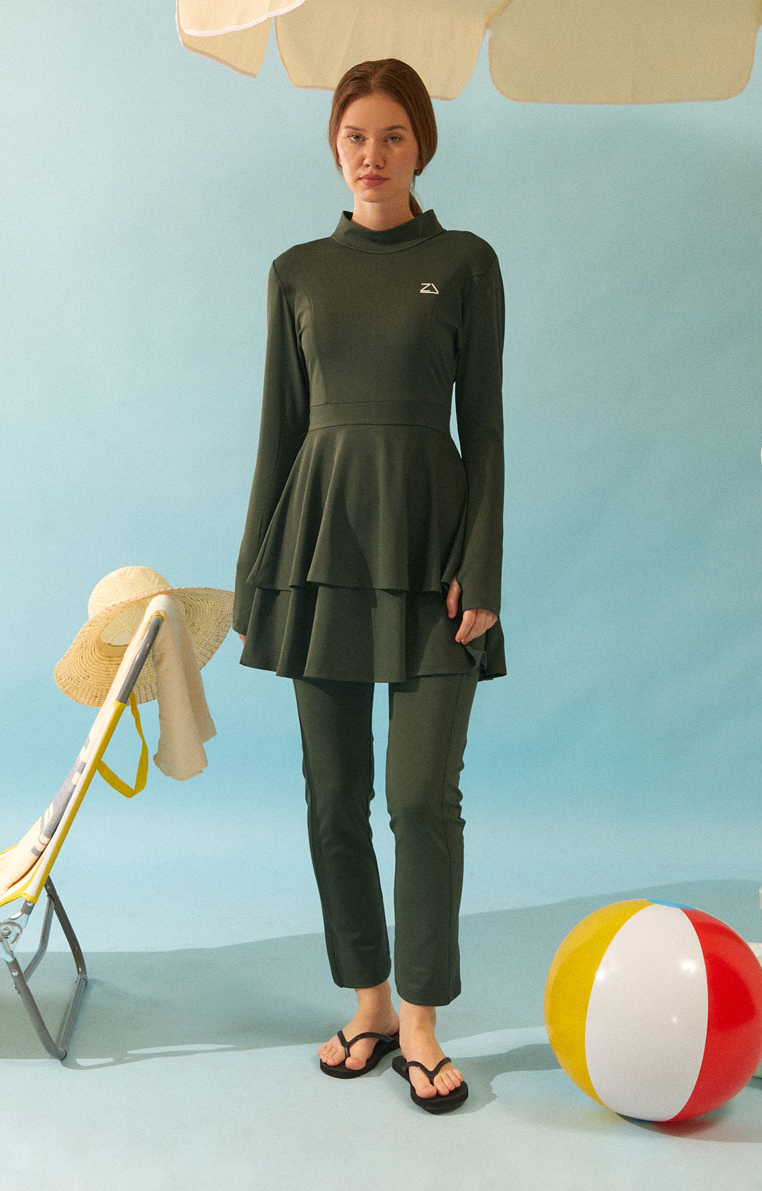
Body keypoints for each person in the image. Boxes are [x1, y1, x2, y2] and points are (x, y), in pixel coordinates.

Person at [233, 58, 505, 1114]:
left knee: (420, 797)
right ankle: (371, 1003)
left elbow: (484, 428)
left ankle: (425, 1021)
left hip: (436, 556)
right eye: (355, 135)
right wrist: (257, 578)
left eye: (393, 135)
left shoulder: (465, 262)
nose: (373, 154)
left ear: (421, 145)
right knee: (334, 795)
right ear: (334, 147)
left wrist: (482, 568)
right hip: (320, 557)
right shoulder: (296, 271)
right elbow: (279, 432)